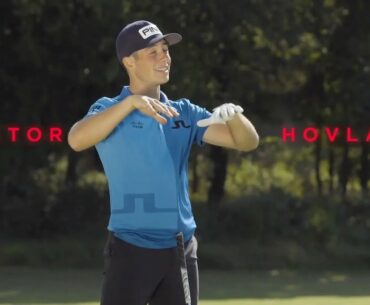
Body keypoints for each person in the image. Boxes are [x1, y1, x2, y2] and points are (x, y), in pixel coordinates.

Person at [67, 20, 259, 305]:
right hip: (129, 248)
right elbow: (77, 139)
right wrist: (131, 104)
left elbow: (247, 142)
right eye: (152, 52)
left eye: (165, 49)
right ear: (129, 61)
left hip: (179, 250)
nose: (164, 57)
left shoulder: (184, 112)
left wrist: (234, 116)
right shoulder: (109, 109)